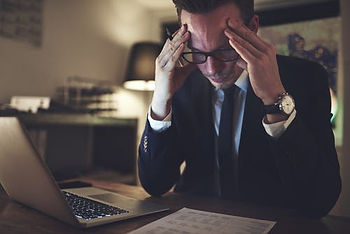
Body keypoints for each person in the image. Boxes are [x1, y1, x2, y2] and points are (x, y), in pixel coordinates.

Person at [138, 0, 341, 218]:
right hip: (194, 220)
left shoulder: (307, 78)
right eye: (197, 51)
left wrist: (275, 98)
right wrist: (160, 98)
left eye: (225, 50)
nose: (211, 69)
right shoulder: (182, 82)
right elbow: (155, 183)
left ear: (252, 27)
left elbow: (320, 199)